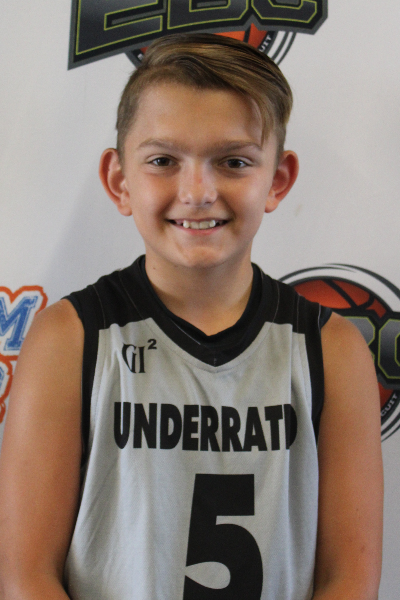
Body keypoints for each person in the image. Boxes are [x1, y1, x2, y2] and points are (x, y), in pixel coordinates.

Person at [0, 33, 383, 600]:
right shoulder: (70, 338)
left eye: (234, 162)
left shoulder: (331, 350)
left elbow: (347, 579)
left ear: (277, 181)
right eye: (163, 161)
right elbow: (27, 577)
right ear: (119, 181)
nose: (198, 191)